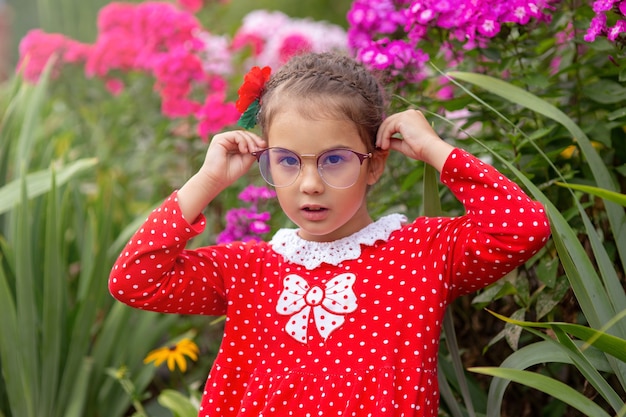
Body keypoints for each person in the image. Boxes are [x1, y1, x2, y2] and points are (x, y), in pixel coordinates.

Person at [109, 52, 551, 417]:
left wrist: (433, 149)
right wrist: (207, 180)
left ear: (374, 163)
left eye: (334, 159)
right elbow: (134, 279)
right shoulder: (248, 269)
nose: (310, 184)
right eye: (287, 161)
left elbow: (522, 228)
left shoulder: (420, 254)